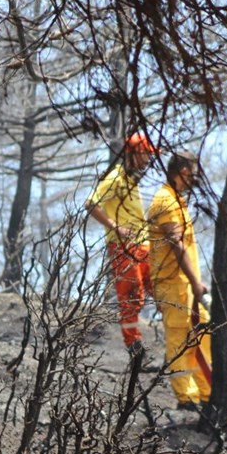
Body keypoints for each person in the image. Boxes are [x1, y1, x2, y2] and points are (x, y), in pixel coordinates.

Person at [147, 151, 212, 409]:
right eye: (194, 172)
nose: (197, 178)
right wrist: (196, 282)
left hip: (186, 285)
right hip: (173, 284)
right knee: (180, 339)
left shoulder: (177, 200)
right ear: (183, 171)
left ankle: (206, 392)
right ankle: (186, 397)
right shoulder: (165, 200)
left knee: (202, 333)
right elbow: (175, 243)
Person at [85, 132, 155, 357]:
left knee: (158, 290)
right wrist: (116, 227)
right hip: (124, 247)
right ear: (134, 154)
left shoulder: (132, 181)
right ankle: (134, 349)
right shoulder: (114, 178)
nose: (148, 160)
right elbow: (91, 203)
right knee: (132, 296)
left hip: (143, 246)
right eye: (145, 154)